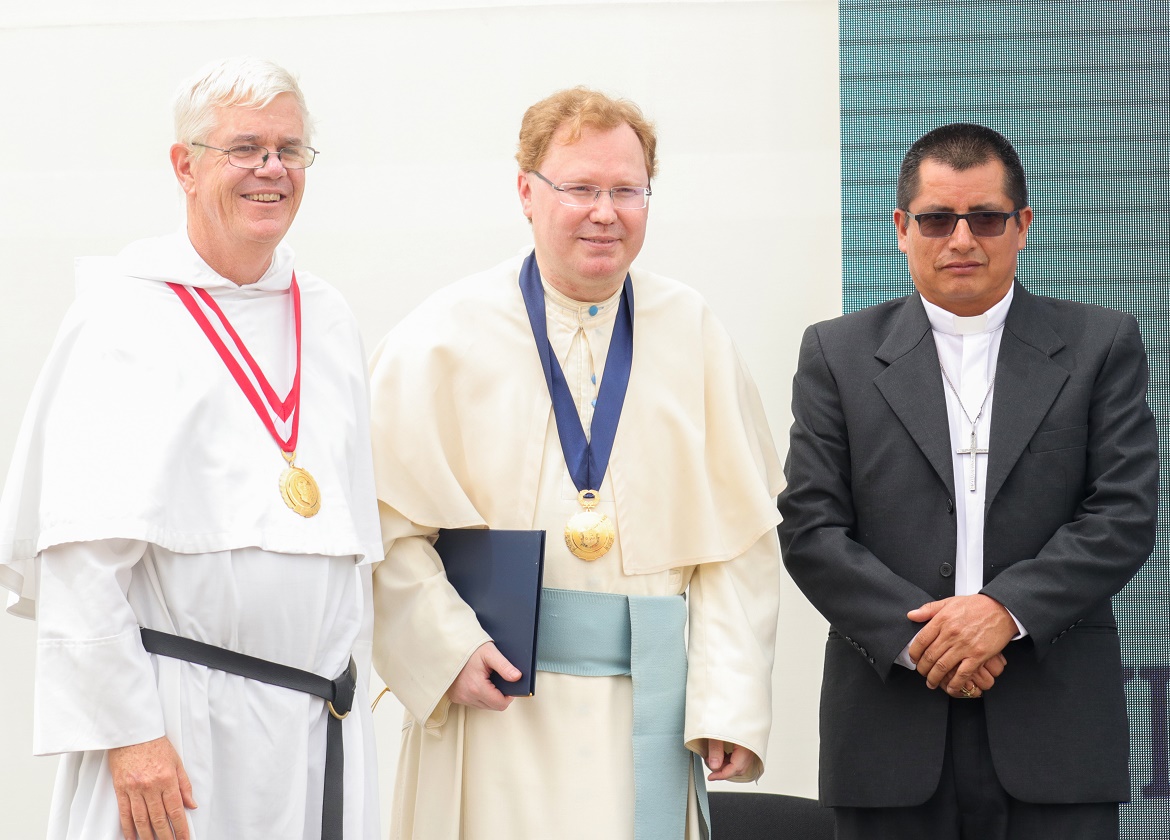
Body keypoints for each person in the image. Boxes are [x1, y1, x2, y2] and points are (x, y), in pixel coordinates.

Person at [370, 86, 783, 840]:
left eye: (626, 190)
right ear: (526, 192)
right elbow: (384, 530)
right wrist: (444, 648)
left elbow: (741, 549)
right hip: (493, 703)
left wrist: (727, 701)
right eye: (581, 189)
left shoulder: (694, 333)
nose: (605, 211)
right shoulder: (439, 338)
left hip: (648, 709)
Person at [0, 57, 382, 840]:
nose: (271, 169)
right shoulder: (123, 316)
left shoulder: (329, 316)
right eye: (245, 147)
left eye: (290, 149)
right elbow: (78, 555)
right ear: (184, 165)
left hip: (316, 721)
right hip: (176, 725)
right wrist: (127, 730)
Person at [778, 123, 1159, 839]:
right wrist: (927, 638)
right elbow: (811, 528)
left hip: (1055, 729)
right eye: (935, 219)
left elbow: (1123, 516)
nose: (961, 239)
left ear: (1023, 226)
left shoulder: (1100, 345)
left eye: (985, 218)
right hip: (889, 728)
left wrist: (1000, 612)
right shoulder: (837, 353)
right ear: (900, 228)